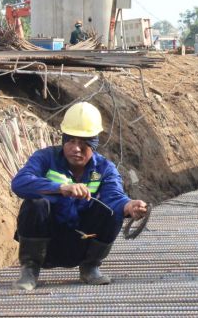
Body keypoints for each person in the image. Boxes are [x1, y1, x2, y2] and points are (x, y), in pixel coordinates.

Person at [10, 102, 147, 290]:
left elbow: (114, 197)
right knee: (35, 204)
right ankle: (30, 269)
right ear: (64, 140)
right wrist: (61, 188)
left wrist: (129, 206)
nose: (76, 148)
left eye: (84, 143)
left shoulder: (105, 169)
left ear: (94, 144)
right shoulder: (45, 158)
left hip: (81, 242)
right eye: (71, 141)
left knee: (112, 212)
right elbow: (19, 183)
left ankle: (90, 267)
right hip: (46, 242)